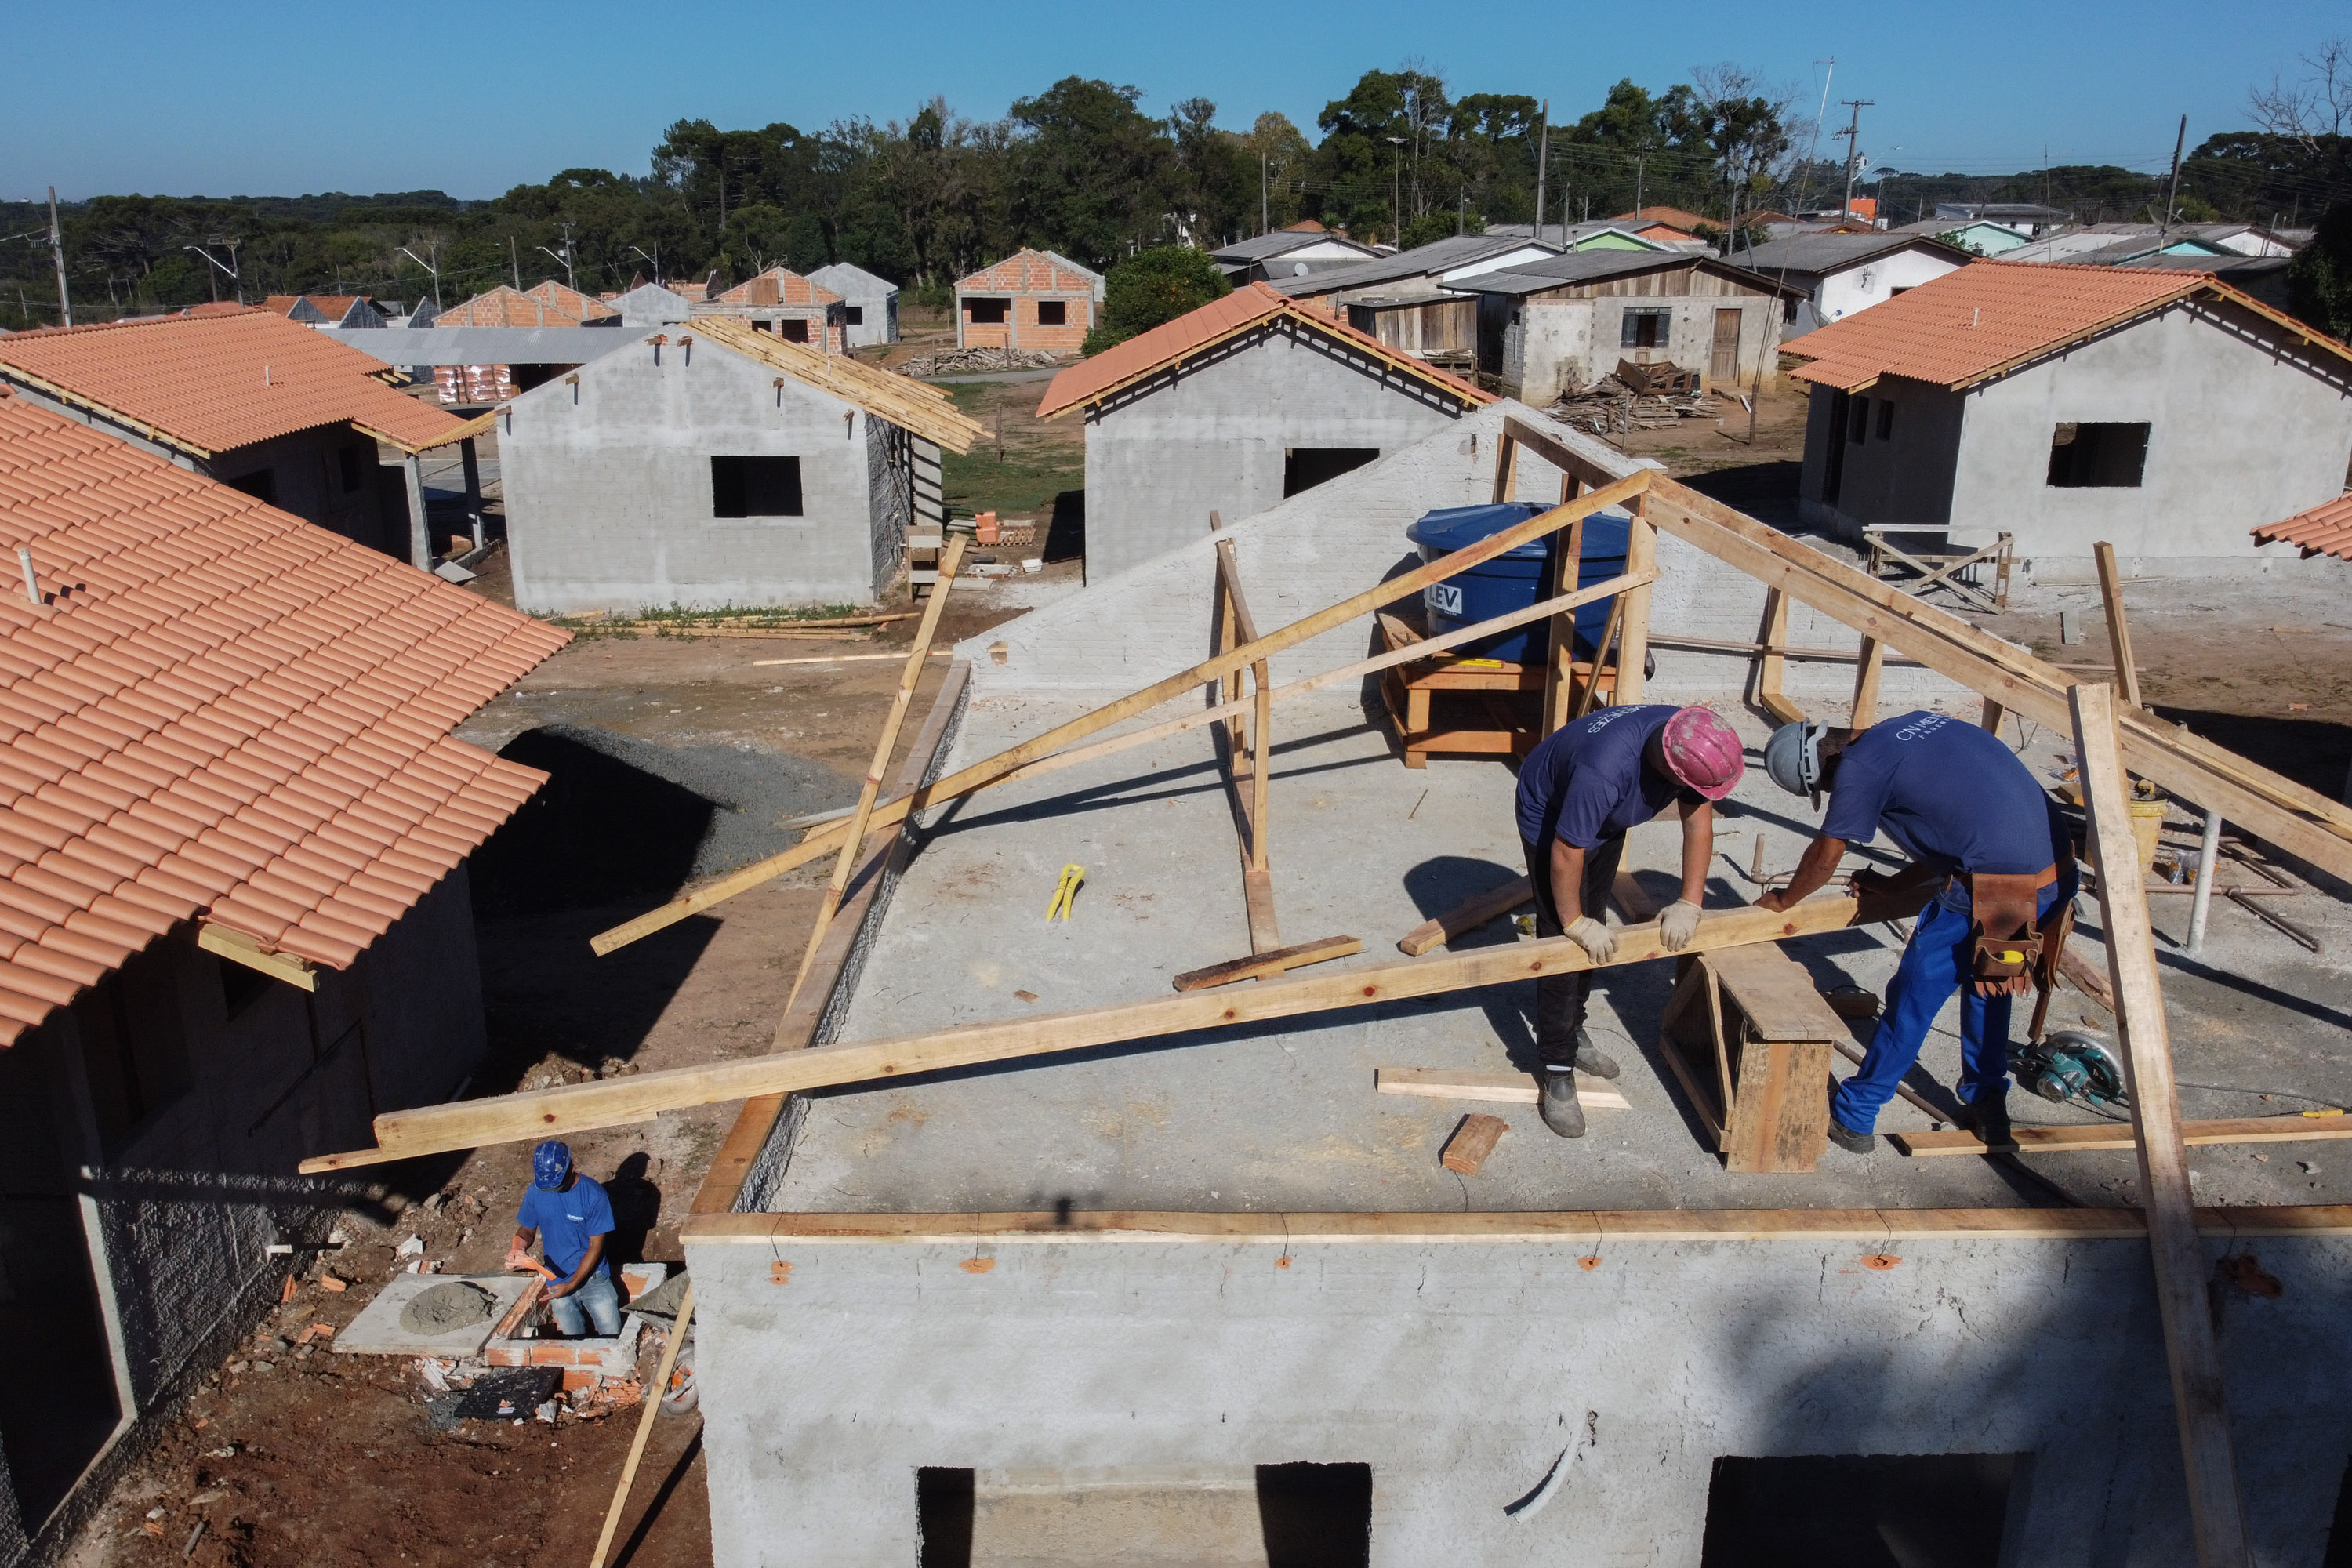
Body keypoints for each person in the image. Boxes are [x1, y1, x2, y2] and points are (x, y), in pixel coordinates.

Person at [1756, 712, 2077, 1154]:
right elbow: (1954, 832)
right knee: (1992, 979)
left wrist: (1782, 901)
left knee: (1913, 997)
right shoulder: (1916, 725)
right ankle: (1988, 1103)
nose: (1834, 795)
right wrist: (1890, 887)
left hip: (1996, 887)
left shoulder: (1858, 767)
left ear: (1822, 769)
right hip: (2054, 876)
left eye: (1825, 791)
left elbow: (1826, 856)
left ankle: (1857, 1112)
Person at [1515, 704, 1747, 1137]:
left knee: (1596, 915)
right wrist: (1573, 923)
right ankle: (1556, 1065)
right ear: (1671, 769)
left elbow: (1698, 827)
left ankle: (1574, 1026)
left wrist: (1690, 902)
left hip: (1603, 807)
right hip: (1549, 809)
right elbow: (1566, 853)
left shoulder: (1692, 738)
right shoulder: (1602, 773)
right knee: (1566, 942)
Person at [509, 1140, 622, 1337]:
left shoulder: (593, 1195)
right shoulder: (536, 1191)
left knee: (611, 1338)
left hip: (593, 1279)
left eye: (557, 1184)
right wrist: (518, 1248)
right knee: (572, 1342)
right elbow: (526, 1229)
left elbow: (596, 1246)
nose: (552, 1190)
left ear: (571, 1167)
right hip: (556, 1280)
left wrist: (571, 1285)